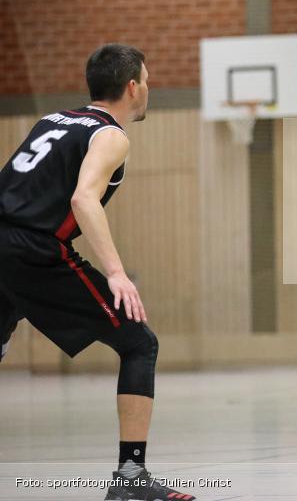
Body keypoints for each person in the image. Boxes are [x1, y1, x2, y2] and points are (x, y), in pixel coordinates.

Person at [0, 44, 196, 501]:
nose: (148, 88)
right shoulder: (111, 135)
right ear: (132, 87)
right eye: (146, 80)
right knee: (139, 342)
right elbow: (83, 199)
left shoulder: (51, 120)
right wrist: (117, 273)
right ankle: (131, 480)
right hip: (32, 249)